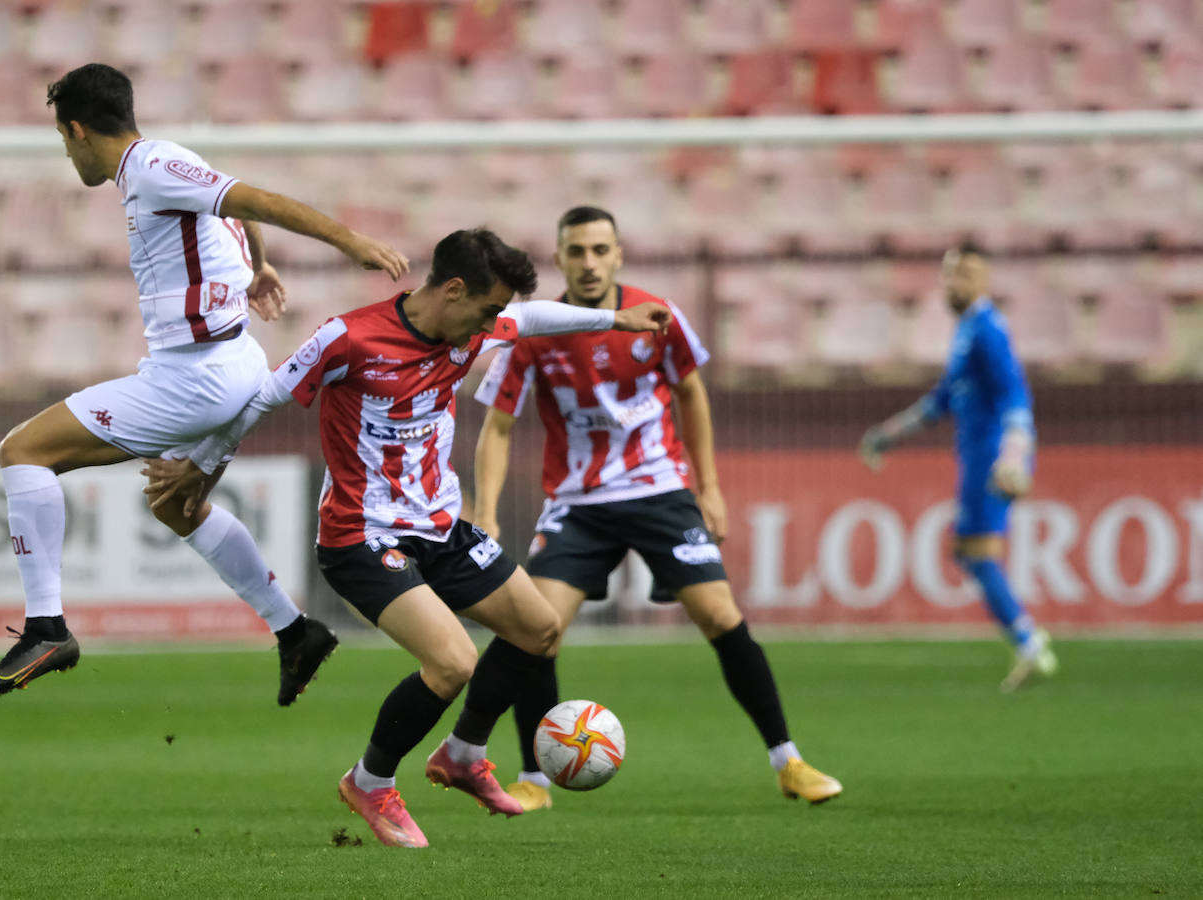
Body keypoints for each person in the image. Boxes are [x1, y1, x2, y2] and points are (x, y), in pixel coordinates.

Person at [144, 228, 671, 848]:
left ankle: (462, 754)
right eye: (485, 308)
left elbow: (527, 318)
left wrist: (617, 318)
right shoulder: (350, 338)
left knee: (540, 629)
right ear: (452, 290)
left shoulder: (469, 327)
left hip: (441, 526)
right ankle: (369, 781)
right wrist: (202, 467)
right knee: (452, 662)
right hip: (360, 534)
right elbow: (264, 398)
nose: (492, 323)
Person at [0, 63, 410, 704]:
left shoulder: (150, 168)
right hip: (234, 366)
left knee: (23, 450)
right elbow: (231, 203)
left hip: (195, 378)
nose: (68, 154)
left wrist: (349, 242)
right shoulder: (169, 162)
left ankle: (46, 625)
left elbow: (256, 199)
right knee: (176, 505)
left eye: (64, 141)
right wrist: (258, 264)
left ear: (77, 130)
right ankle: (295, 631)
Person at [471, 206, 843, 813]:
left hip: (660, 492)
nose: (588, 262)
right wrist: (485, 509)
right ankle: (534, 781)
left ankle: (789, 761)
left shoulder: (656, 314)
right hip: (578, 503)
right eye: (576, 252)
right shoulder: (535, 331)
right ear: (560, 259)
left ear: (618, 255)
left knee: (721, 617)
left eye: (599, 250)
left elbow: (691, 392)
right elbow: (498, 427)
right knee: (535, 630)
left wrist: (710, 486)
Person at [859, 242, 1058, 693]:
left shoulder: (989, 329)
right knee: (969, 553)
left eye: (965, 273)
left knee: (975, 554)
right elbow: (941, 401)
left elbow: (1014, 396)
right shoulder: (968, 330)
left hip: (992, 458)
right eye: (949, 273)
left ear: (985, 280)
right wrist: (888, 434)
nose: (954, 282)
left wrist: (1013, 455)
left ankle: (1031, 644)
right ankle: (1029, 641)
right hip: (977, 456)